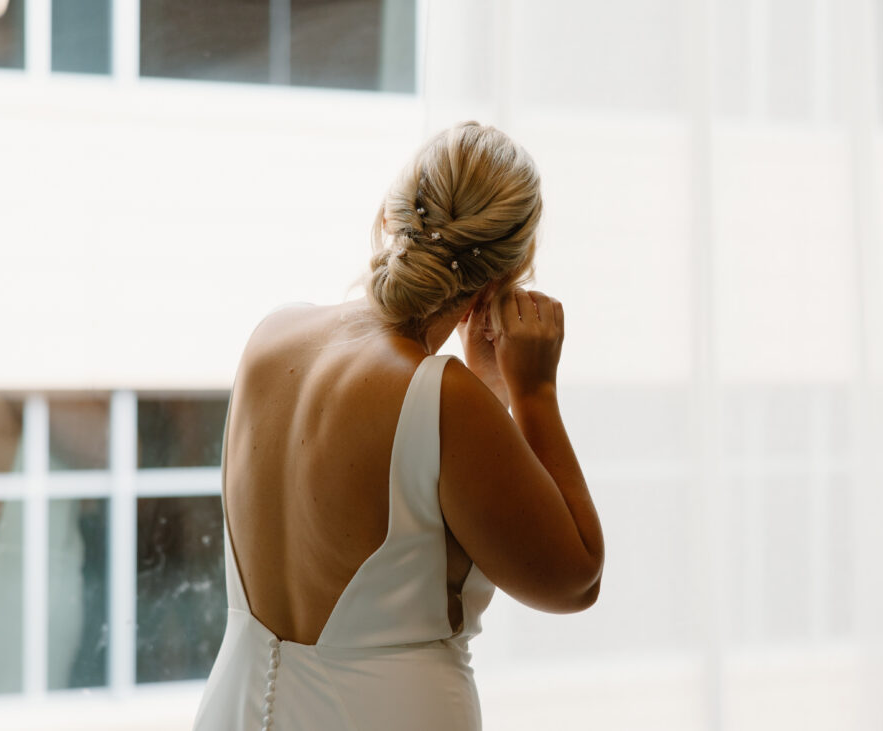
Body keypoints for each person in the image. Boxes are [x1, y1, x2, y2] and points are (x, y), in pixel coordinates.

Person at [191, 121, 604, 731]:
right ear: (507, 276)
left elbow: (418, 484)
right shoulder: (443, 398)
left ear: (390, 219)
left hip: (235, 706)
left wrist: (486, 389)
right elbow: (574, 580)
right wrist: (534, 392)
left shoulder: (272, 336)